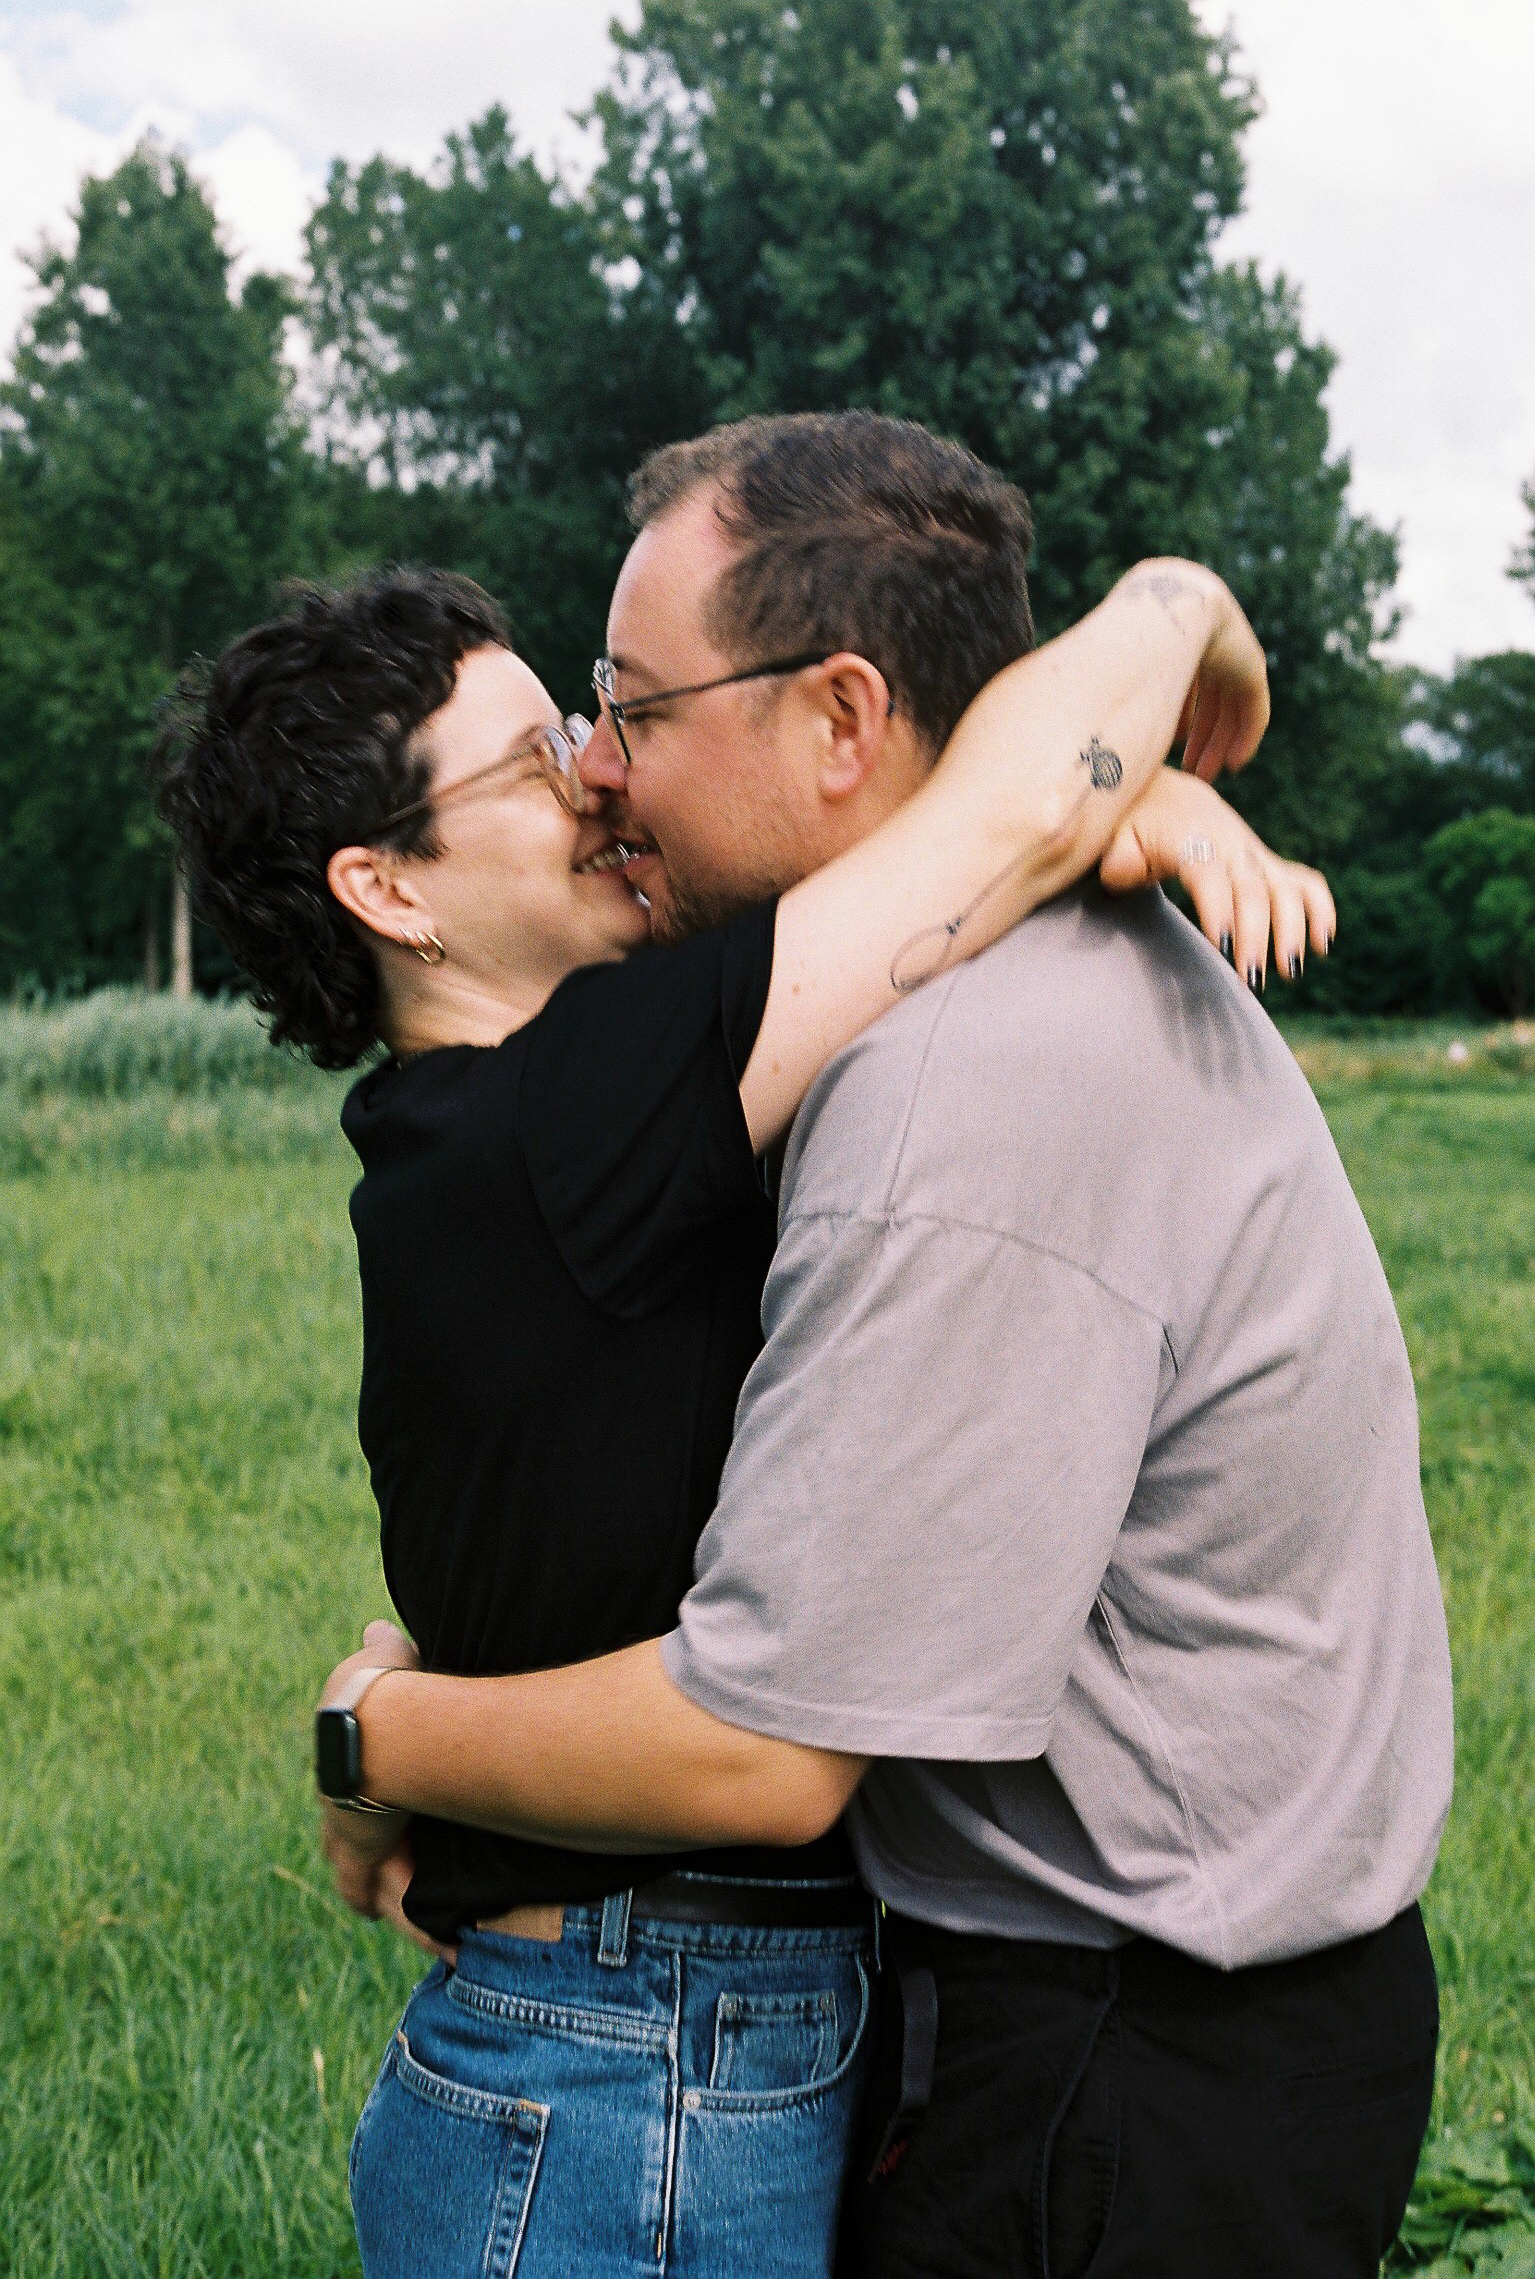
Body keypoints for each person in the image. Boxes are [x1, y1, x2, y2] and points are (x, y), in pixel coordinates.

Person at [157, 426, 1313, 2279]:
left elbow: (947, 845)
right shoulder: (569, 1113)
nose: (600, 777)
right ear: (391, 890)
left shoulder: (498, 1134)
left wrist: (1121, 809)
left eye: (591, 721)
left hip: (645, 2044)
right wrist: (1177, 611)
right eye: (538, 758)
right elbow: (982, 820)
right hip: (625, 2064)